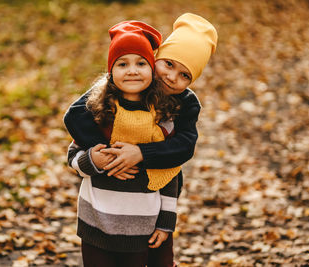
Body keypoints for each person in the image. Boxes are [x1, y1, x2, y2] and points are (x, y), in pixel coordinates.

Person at [65, 13, 217, 267]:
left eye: (185, 75)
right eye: (168, 64)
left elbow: (178, 156)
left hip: (144, 215)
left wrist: (141, 154)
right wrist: (105, 155)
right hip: (99, 217)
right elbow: (75, 117)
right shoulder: (113, 94)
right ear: (155, 57)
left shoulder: (181, 106)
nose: (172, 77)